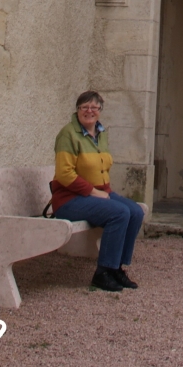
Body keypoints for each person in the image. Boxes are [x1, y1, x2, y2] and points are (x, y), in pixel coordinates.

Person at [52, 90, 145, 293]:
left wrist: (107, 193)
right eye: (84, 107)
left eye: (94, 107)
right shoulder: (68, 134)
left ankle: (116, 268)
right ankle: (103, 273)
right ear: (77, 111)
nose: (89, 111)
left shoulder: (100, 134)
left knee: (136, 211)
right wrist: (94, 192)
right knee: (119, 213)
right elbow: (64, 174)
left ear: (100, 111)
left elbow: (101, 169)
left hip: (97, 194)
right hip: (70, 200)